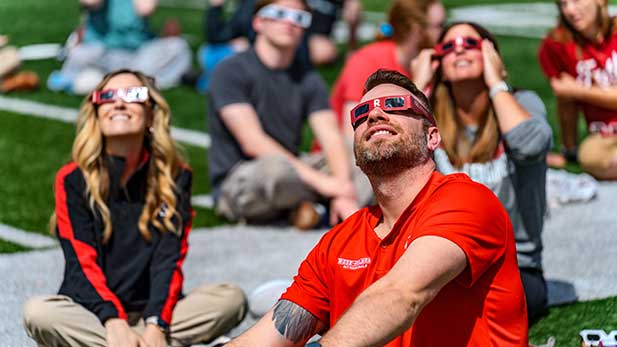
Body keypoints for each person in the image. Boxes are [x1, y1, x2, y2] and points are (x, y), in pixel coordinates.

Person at [225, 69, 528, 346]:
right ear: (356, 152)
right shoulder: (338, 242)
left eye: (396, 104)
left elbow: (402, 296)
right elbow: (272, 334)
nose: (376, 114)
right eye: (361, 113)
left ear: (432, 136)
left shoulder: (466, 200)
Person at [23, 70, 246, 347]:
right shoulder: (73, 179)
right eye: (107, 97)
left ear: (151, 114)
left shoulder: (175, 177)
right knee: (40, 312)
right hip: (93, 315)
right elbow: (81, 266)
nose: (119, 103)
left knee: (230, 298)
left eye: (133, 95)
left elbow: (169, 261)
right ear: (97, 113)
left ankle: (139, 342)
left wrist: (156, 324)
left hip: (149, 315)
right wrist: (114, 322)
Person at [414, 21, 552, 321]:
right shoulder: (427, 116)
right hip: (440, 260)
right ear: (437, 63)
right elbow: (392, 164)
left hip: (514, 265)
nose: (459, 48)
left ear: (491, 54)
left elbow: (529, 146)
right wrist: (415, 88)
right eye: (448, 46)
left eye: (470, 43)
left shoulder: (521, 103)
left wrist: (496, 83)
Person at [208, 0, 369, 229]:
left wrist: (342, 187)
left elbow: (331, 136)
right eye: (279, 13)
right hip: (243, 178)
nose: (289, 23)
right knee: (277, 171)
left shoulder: (308, 77)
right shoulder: (230, 71)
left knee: (360, 154)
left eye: (299, 18)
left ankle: (310, 207)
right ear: (258, 22)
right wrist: (326, 185)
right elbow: (253, 142)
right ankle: (318, 204)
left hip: (293, 172)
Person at [328, 0, 446, 143]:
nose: (444, 34)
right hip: (340, 158)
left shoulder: (429, 64)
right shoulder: (368, 61)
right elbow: (352, 136)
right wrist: (418, 85)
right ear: (416, 31)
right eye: (439, 26)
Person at [538, 0, 617, 180]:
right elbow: (565, 100)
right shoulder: (557, 44)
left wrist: (578, 90)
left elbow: (570, 91)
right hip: (604, 136)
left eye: (576, 1)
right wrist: (570, 150)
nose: (570, 10)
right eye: (563, 4)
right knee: (589, 156)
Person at [48, 0, 192, 95]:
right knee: (81, 54)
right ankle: (131, 83)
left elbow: (146, 8)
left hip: (137, 53)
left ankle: (126, 83)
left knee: (178, 47)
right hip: (102, 52)